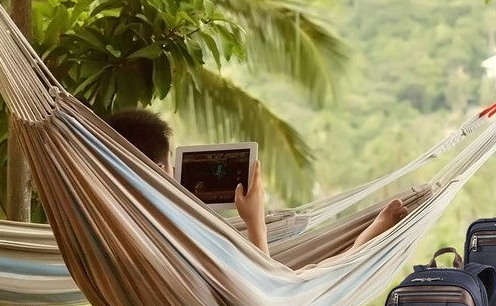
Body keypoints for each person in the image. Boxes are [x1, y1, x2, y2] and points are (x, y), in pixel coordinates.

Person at [106, 108, 408, 257]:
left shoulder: (102, 213)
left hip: (193, 304)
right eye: (172, 167)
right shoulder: (169, 229)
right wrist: (254, 221)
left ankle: (358, 246)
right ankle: (361, 245)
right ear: (159, 170)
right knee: (307, 278)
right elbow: (265, 300)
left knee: (305, 274)